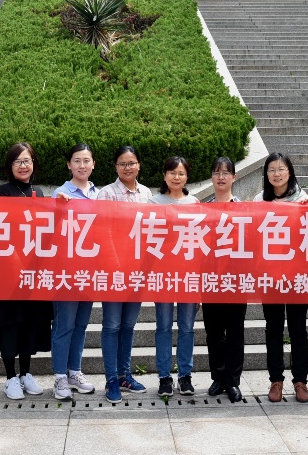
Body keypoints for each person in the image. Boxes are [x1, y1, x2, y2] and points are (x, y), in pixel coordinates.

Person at [0, 142, 53, 399]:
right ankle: (10, 377)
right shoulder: (4, 192)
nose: (23, 166)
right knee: (10, 324)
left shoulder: (38, 192)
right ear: (10, 166)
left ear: (33, 164)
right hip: (9, 272)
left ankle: (26, 374)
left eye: (27, 161)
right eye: (18, 161)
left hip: (34, 272)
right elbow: (0, 230)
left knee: (30, 323)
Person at [254, 152, 308, 403]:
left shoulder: (303, 199)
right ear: (266, 174)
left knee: (298, 329)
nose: (276, 174)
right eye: (272, 170)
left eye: (281, 169)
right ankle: (276, 381)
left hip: (298, 275)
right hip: (270, 275)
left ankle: (301, 382)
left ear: (290, 172)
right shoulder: (259, 200)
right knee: (274, 329)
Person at [96, 144, 152, 403]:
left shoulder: (147, 194)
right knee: (112, 325)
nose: (127, 167)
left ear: (139, 165)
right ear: (115, 167)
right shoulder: (106, 194)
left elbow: (151, 232)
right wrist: (116, 264)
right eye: (122, 163)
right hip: (114, 270)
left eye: (131, 163)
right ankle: (111, 380)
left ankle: (124, 375)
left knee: (128, 325)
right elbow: (103, 232)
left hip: (138, 271)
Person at [48, 143, 100, 400]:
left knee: (80, 325)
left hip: (89, 272)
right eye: (77, 161)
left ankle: (74, 372)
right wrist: (57, 208)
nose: (82, 165)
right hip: (66, 272)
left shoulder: (99, 194)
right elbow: (50, 230)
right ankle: (59, 376)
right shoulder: (60, 193)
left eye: (86, 160)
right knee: (64, 325)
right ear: (69, 164)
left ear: (93, 164)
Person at [150, 156, 199, 396]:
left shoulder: (194, 203)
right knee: (164, 326)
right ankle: (164, 376)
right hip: (163, 275)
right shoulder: (153, 202)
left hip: (188, 275)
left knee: (187, 327)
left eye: (181, 173)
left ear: (187, 177)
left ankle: (185, 375)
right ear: (164, 176)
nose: (176, 177)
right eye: (172, 173)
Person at [201, 156, 246, 403]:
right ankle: (218, 377)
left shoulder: (244, 210)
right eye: (217, 172)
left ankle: (233, 381)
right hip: (210, 280)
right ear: (211, 177)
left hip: (236, 279)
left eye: (226, 173)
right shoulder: (203, 210)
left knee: (235, 332)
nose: (221, 177)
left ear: (234, 177)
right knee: (214, 333)